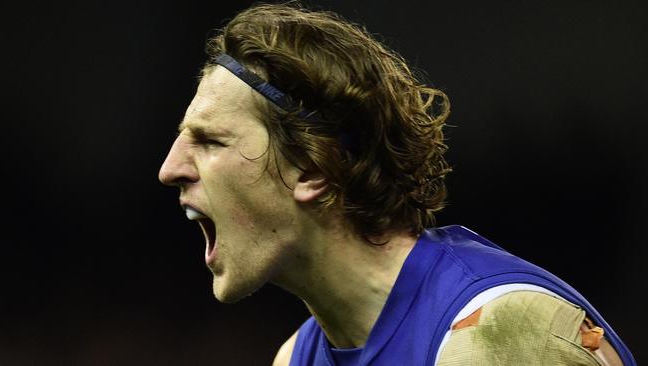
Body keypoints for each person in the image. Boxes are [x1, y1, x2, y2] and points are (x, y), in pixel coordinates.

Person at [158, 3, 635, 365]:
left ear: (312, 168)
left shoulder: (502, 333)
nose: (170, 168)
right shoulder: (296, 357)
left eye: (210, 141)